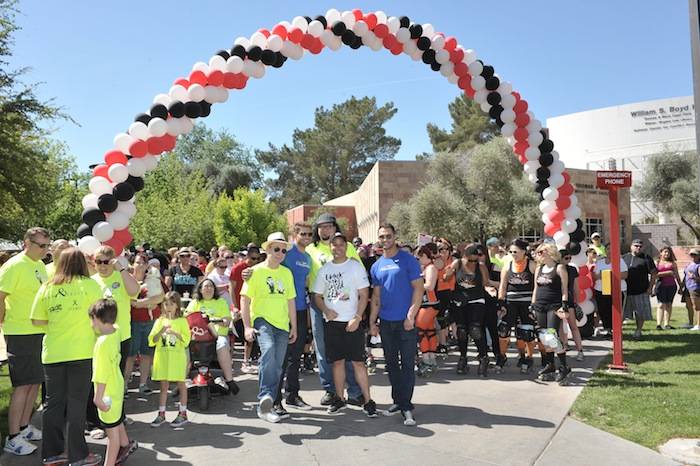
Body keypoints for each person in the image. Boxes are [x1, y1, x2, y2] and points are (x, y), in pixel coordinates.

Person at [29, 247, 103, 466]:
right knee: (77, 403)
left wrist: (58, 321)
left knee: (53, 404)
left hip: (53, 353)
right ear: (82, 263)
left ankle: (52, 453)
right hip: (82, 352)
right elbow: (100, 318)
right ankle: (78, 455)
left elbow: (36, 320)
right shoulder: (91, 286)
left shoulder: (47, 287)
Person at [313, 233, 377, 417]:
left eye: (342, 244)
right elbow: (317, 295)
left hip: (352, 322)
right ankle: (339, 399)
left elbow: (364, 295)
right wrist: (325, 310)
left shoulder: (355, 266)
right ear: (330, 247)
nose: (338, 248)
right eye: (335, 245)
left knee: (358, 363)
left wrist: (357, 317)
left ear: (346, 247)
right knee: (337, 363)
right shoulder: (325, 270)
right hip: (332, 324)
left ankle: (368, 400)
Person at [0, 227, 49, 456]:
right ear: (26, 243)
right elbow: (0, 296)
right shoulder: (14, 265)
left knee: (34, 381)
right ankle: (12, 437)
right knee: (22, 385)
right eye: (42, 246)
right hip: (20, 332)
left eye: (47, 246)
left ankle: (24, 426)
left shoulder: (38, 265)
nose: (45, 250)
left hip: (38, 330)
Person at [306, 213, 364, 407]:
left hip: (345, 306)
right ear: (317, 230)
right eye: (321, 227)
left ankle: (354, 392)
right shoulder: (309, 250)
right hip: (319, 304)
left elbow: (359, 274)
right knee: (323, 350)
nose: (325, 230)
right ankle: (331, 391)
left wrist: (358, 310)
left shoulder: (346, 247)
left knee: (348, 351)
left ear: (335, 228)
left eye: (329, 226)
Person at [369, 223, 423, 426]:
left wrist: (411, 315)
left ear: (395, 236)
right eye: (381, 237)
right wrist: (372, 321)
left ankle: (407, 406)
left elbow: (418, 289)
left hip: (405, 322)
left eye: (388, 236)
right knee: (391, 364)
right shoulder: (377, 266)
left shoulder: (409, 261)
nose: (385, 240)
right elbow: (376, 297)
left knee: (407, 364)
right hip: (386, 322)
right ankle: (397, 401)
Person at [241, 232, 297, 423]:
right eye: (276, 249)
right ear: (267, 250)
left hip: (282, 324)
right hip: (262, 321)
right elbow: (245, 299)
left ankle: (267, 406)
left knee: (278, 365)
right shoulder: (254, 272)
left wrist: (294, 326)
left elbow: (291, 301)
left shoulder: (287, 273)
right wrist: (247, 327)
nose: (281, 252)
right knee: (269, 351)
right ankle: (265, 396)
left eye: (283, 250)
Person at [90, 299, 137, 466]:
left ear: (96, 318)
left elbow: (101, 374)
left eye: (92, 318)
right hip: (116, 386)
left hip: (107, 392)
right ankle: (127, 444)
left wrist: (98, 398)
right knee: (116, 421)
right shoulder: (115, 331)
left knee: (112, 437)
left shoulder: (102, 344)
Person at [277, 223, 313, 414]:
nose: (307, 236)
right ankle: (275, 400)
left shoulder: (307, 257)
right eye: (303, 233)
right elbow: (269, 264)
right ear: (294, 235)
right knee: (282, 357)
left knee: (295, 356)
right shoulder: (287, 252)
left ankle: (292, 395)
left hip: (300, 310)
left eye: (309, 234)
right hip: (282, 311)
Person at [91, 246, 140, 382]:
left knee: (116, 374)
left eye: (106, 262)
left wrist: (121, 269)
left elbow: (134, 291)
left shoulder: (122, 277)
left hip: (120, 335)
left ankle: (116, 401)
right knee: (98, 374)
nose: (102, 266)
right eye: (98, 262)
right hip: (97, 336)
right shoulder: (91, 280)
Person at [185, 279, 238, 394]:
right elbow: (187, 317)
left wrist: (222, 321)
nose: (208, 288)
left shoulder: (221, 302)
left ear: (214, 289)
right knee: (184, 346)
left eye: (211, 286)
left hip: (216, 335)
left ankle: (229, 380)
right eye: (206, 286)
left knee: (223, 343)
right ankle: (183, 380)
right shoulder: (195, 303)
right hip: (198, 336)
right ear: (200, 289)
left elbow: (227, 319)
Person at [124, 254, 165, 397]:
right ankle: (124, 386)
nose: (140, 265)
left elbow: (160, 297)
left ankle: (143, 384)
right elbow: (127, 300)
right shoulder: (127, 279)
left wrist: (140, 303)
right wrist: (148, 302)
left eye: (143, 263)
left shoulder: (153, 279)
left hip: (150, 321)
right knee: (130, 355)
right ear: (132, 264)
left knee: (146, 354)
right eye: (137, 262)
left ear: (147, 265)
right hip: (132, 322)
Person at [149, 291, 192, 428]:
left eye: (171, 304)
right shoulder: (160, 321)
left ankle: (183, 413)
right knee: (163, 385)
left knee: (181, 384)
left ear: (177, 306)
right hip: (163, 357)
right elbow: (152, 340)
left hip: (177, 358)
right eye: (166, 304)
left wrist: (174, 333)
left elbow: (186, 340)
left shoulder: (182, 321)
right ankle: (161, 414)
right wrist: (161, 331)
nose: (168, 307)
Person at [531, 243, 570, 383]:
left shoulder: (559, 268)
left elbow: (564, 289)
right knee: (544, 337)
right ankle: (550, 364)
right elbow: (536, 288)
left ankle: (564, 366)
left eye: (540, 252)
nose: (538, 254)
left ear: (549, 252)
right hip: (540, 305)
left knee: (552, 336)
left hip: (554, 306)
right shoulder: (539, 269)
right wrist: (532, 305)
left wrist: (564, 305)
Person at [451, 244, 492, 377]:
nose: (473, 263)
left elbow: (486, 283)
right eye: (470, 260)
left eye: (475, 260)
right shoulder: (457, 264)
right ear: (464, 257)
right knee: (462, 330)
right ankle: (463, 358)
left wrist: (494, 288)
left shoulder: (481, 267)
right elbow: (446, 277)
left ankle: (483, 357)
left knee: (475, 330)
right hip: (460, 300)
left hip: (476, 300)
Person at [497, 239, 537, 374]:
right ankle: (502, 357)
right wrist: (501, 302)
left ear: (524, 251)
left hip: (527, 302)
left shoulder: (532, 265)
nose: (513, 254)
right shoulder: (507, 266)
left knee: (526, 331)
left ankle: (528, 357)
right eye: (511, 252)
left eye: (516, 251)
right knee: (503, 330)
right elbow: (502, 286)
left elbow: (537, 286)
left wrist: (534, 303)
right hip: (511, 302)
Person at [230, 245, 262, 373]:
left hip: (254, 305)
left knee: (251, 334)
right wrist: (235, 306)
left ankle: (247, 360)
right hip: (241, 305)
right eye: (253, 258)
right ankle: (240, 361)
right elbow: (232, 288)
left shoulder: (258, 269)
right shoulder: (237, 268)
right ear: (247, 256)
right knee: (241, 333)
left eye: (258, 259)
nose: (255, 261)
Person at [622, 239, 657, 340]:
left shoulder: (646, 258)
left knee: (640, 313)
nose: (638, 248)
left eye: (640, 246)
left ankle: (638, 330)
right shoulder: (624, 258)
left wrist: (650, 287)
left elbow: (654, 274)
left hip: (641, 291)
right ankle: (619, 333)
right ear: (631, 246)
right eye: (636, 245)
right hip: (625, 291)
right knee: (623, 313)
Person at [593, 247, 628, 336]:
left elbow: (625, 274)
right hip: (601, 289)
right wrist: (602, 275)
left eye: (611, 248)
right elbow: (595, 275)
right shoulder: (600, 262)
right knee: (603, 310)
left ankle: (616, 330)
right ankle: (608, 329)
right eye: (608, 249)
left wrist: (609, 274)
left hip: (617, 290)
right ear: (605, 251)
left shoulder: (620, 261)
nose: (610, 251)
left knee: (615, 311)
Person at [415, 245, 439, 376]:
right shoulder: (426, 268)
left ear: (425, 256)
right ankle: (431, 358)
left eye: (419, 257)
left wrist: (414, 284)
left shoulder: (430, 268)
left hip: (429, 303)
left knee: (420, 330)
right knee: (429, 331)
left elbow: (429, 286)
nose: (418, 260)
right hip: (426, 303)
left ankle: (426, 360)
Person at [560, 251, 584, 361]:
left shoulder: (572, 269)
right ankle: (563, 347)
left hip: (568, 300)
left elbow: (576, 287)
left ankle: (580, 350)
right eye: (566, 258)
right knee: (559, 326)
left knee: (573, 325)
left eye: (570, 258)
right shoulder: (556, 268)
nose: (568, 260)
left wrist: (577, 302)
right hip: (556, 300)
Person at [434, 239, 456, 356]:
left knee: (451, 317)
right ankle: (441, 344)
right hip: (439, 292)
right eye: (440, 249)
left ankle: (448, 341)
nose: (443, 251)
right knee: (440, 318)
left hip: (452, 291)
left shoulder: (454, 261)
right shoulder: (436, 262)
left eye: (446, 249)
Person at [654, 247, 681, 330]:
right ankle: (659, 324)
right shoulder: (657, 262)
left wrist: (681, 286)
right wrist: (668, 273)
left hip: (672, 286)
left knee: (669, 304)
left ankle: (667, 324)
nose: (667, 254)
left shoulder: (673, 263)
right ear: (661, 253)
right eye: (665, 252)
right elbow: (654, 275)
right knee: (661, 304)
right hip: (661, 286)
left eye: (668, 252)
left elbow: (677, 275)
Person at [682, 248, 700, 330]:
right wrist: (681, 286)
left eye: (695, 254)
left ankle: (698, 325)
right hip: (687, 287)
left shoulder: (698, 265)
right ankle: (690, 323)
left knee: (697, 307)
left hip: (695, 288)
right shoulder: (689, 264)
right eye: (691, 254)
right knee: (688, 306)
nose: (693, 256)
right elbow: (685, 276)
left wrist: (694, 277)